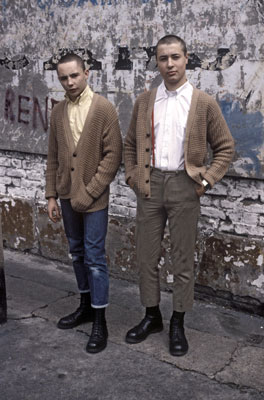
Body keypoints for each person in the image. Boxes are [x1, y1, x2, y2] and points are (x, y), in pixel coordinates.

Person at [124, 35, 234, 356]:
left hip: (186, 186)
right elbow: (130, 145)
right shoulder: (145, 101)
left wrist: (207, 180)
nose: (169, 64)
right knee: (146, 256)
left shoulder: (203, 102)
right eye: (163, 58)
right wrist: (133, 176)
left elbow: (225, 148)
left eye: (175, 57)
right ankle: (151, 315)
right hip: (150, 184)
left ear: (187, 58)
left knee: (182, 259)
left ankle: (178, 322)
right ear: (156, 63)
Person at [45, 53, 122, 354]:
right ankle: (85, 306)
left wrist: (89, 192)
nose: (69, 82)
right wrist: (51, 195)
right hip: (65, 195)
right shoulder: (57, 112)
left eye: (74, 75)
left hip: (94, 198)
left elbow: (112, 157)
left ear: (87, 73)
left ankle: (99, 320)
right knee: (76, 253)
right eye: (63, 78)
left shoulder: (103, 109)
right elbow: (53, 157)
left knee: (94, 257)